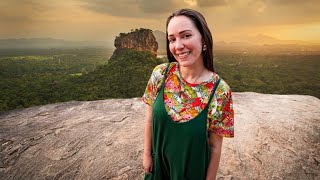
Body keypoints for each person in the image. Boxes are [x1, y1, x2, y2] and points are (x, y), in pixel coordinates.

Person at [142, 8, 234, 180]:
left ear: (204, 40)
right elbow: (149, 119)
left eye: (186, 35)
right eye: (172, 39)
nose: (178, 46)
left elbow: (214, 147)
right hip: (157, 170)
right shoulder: (160, 74)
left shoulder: (220, 91)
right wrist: (147, 155)